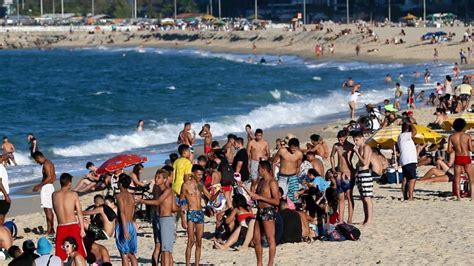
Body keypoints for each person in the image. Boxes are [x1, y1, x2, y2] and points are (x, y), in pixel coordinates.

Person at [137, 169, 175, 266]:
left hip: (166, 219)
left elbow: (158, 202)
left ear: (165, 179)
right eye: (156, 177)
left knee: (165, 250)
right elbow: (172, 207)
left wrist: (142, 201)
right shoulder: (157, 188)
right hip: (158, 218)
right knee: (161, 248)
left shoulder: (168, 190)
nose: (156, 179)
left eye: (159, 177)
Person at [244, 161, 279, 266]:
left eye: (259, 168)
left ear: (263, 169)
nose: (257, 170)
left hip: (268, 211)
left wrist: (260, 197)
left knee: (270, 238)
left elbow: (277, 201)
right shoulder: (261, 181)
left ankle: (270, 263)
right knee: (256, 239)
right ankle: (259, 263)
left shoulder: (272, 182)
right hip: (260, 211)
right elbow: (255, 195)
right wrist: (243, 187)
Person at [52, 173, 87, 261]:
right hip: (72, 226)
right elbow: (79, 212)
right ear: (70, 183)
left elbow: (56, 211)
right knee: (78, 253)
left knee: (61, 256)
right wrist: (82, 229)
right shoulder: (73, 194)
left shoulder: (54, 195)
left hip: (61, 226)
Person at [180, 172, 210, 266]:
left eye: (201, 175)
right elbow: (181, 201)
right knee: (190, 241)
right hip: (191, 213)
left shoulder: (200, 185)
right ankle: (187, 264)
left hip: (200, 213)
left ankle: (197, 264)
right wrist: (183, 219)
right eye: (199, 175)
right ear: (193, 174)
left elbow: (210, 197)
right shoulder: (185, 185)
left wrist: (218, 193)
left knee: (199, 242)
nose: (201, 177)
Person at [330, 130, 355, 224]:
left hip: (348, 173)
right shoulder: (336, 146)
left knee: (349, 196)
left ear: (346, 137)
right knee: (340, 197)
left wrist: (355, 169)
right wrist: (333, 169)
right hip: (339, 173)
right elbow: (331, 156)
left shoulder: (351, 147)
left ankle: (350, 219)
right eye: (339, 139)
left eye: (342, 139)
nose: (340, 141)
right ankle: (340, 219)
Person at [448, 118, 474, 200]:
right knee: (471, 179)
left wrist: (455, 148)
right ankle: (472, 197)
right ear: (463, 126)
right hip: (466, 157)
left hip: (458, 157)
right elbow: (471, 149)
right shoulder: (467, 136)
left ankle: (458, 197)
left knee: (457, 178)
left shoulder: (452, 137)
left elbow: (448, 150)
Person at [115, 174, 138, 266]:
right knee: (132, 254)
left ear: (120, 184)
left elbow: (122, 213)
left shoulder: (119, 196)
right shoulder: (131, 196)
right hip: (131, 224)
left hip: (122, 225)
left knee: (124, 254)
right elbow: (133, 212)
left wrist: (124, 229)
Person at [352, 131, 374, 225]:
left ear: (362, 138)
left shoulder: (366, 147)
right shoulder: (361, 147)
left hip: (365, 173)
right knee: (363, 198)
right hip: (360, 173)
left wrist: (356, 152)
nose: (355, 142)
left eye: (357, 140)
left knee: (367, 198)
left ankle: (369, 220)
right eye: (354, 140)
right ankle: (366, 219)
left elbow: (365, 162)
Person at [32, 151, 56, 235]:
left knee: (47, 210)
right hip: (50, 187)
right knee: (49, 209)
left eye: (36, 160)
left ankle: (50, 230)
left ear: (38, 157)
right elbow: (54, 177)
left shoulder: (46, 164)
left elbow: (49, 177)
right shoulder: (50, 163)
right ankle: (51, 229)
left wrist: (39, 185)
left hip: (47, 187)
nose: (37, 162)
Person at [272, 138, 303, 203]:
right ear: (289, 146)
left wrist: (296, 177)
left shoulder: (299, 154)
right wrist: (273, 175)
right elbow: (274, 162)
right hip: (282, 176)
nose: (294, 149)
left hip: (293, 176)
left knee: (294, 196)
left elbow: (298, 167)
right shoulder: (282, 151)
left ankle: (294, 211)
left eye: (295, 148)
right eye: (292, 148)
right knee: (280, 195)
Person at [398, 121, 418, 201]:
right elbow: (415, 131)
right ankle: (410, 196)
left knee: (405, 178)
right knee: (412, 178)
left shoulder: (400, 137)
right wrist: (412, 124)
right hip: (409, 160)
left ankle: (405, 196)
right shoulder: (405, 135)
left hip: (404, 160)